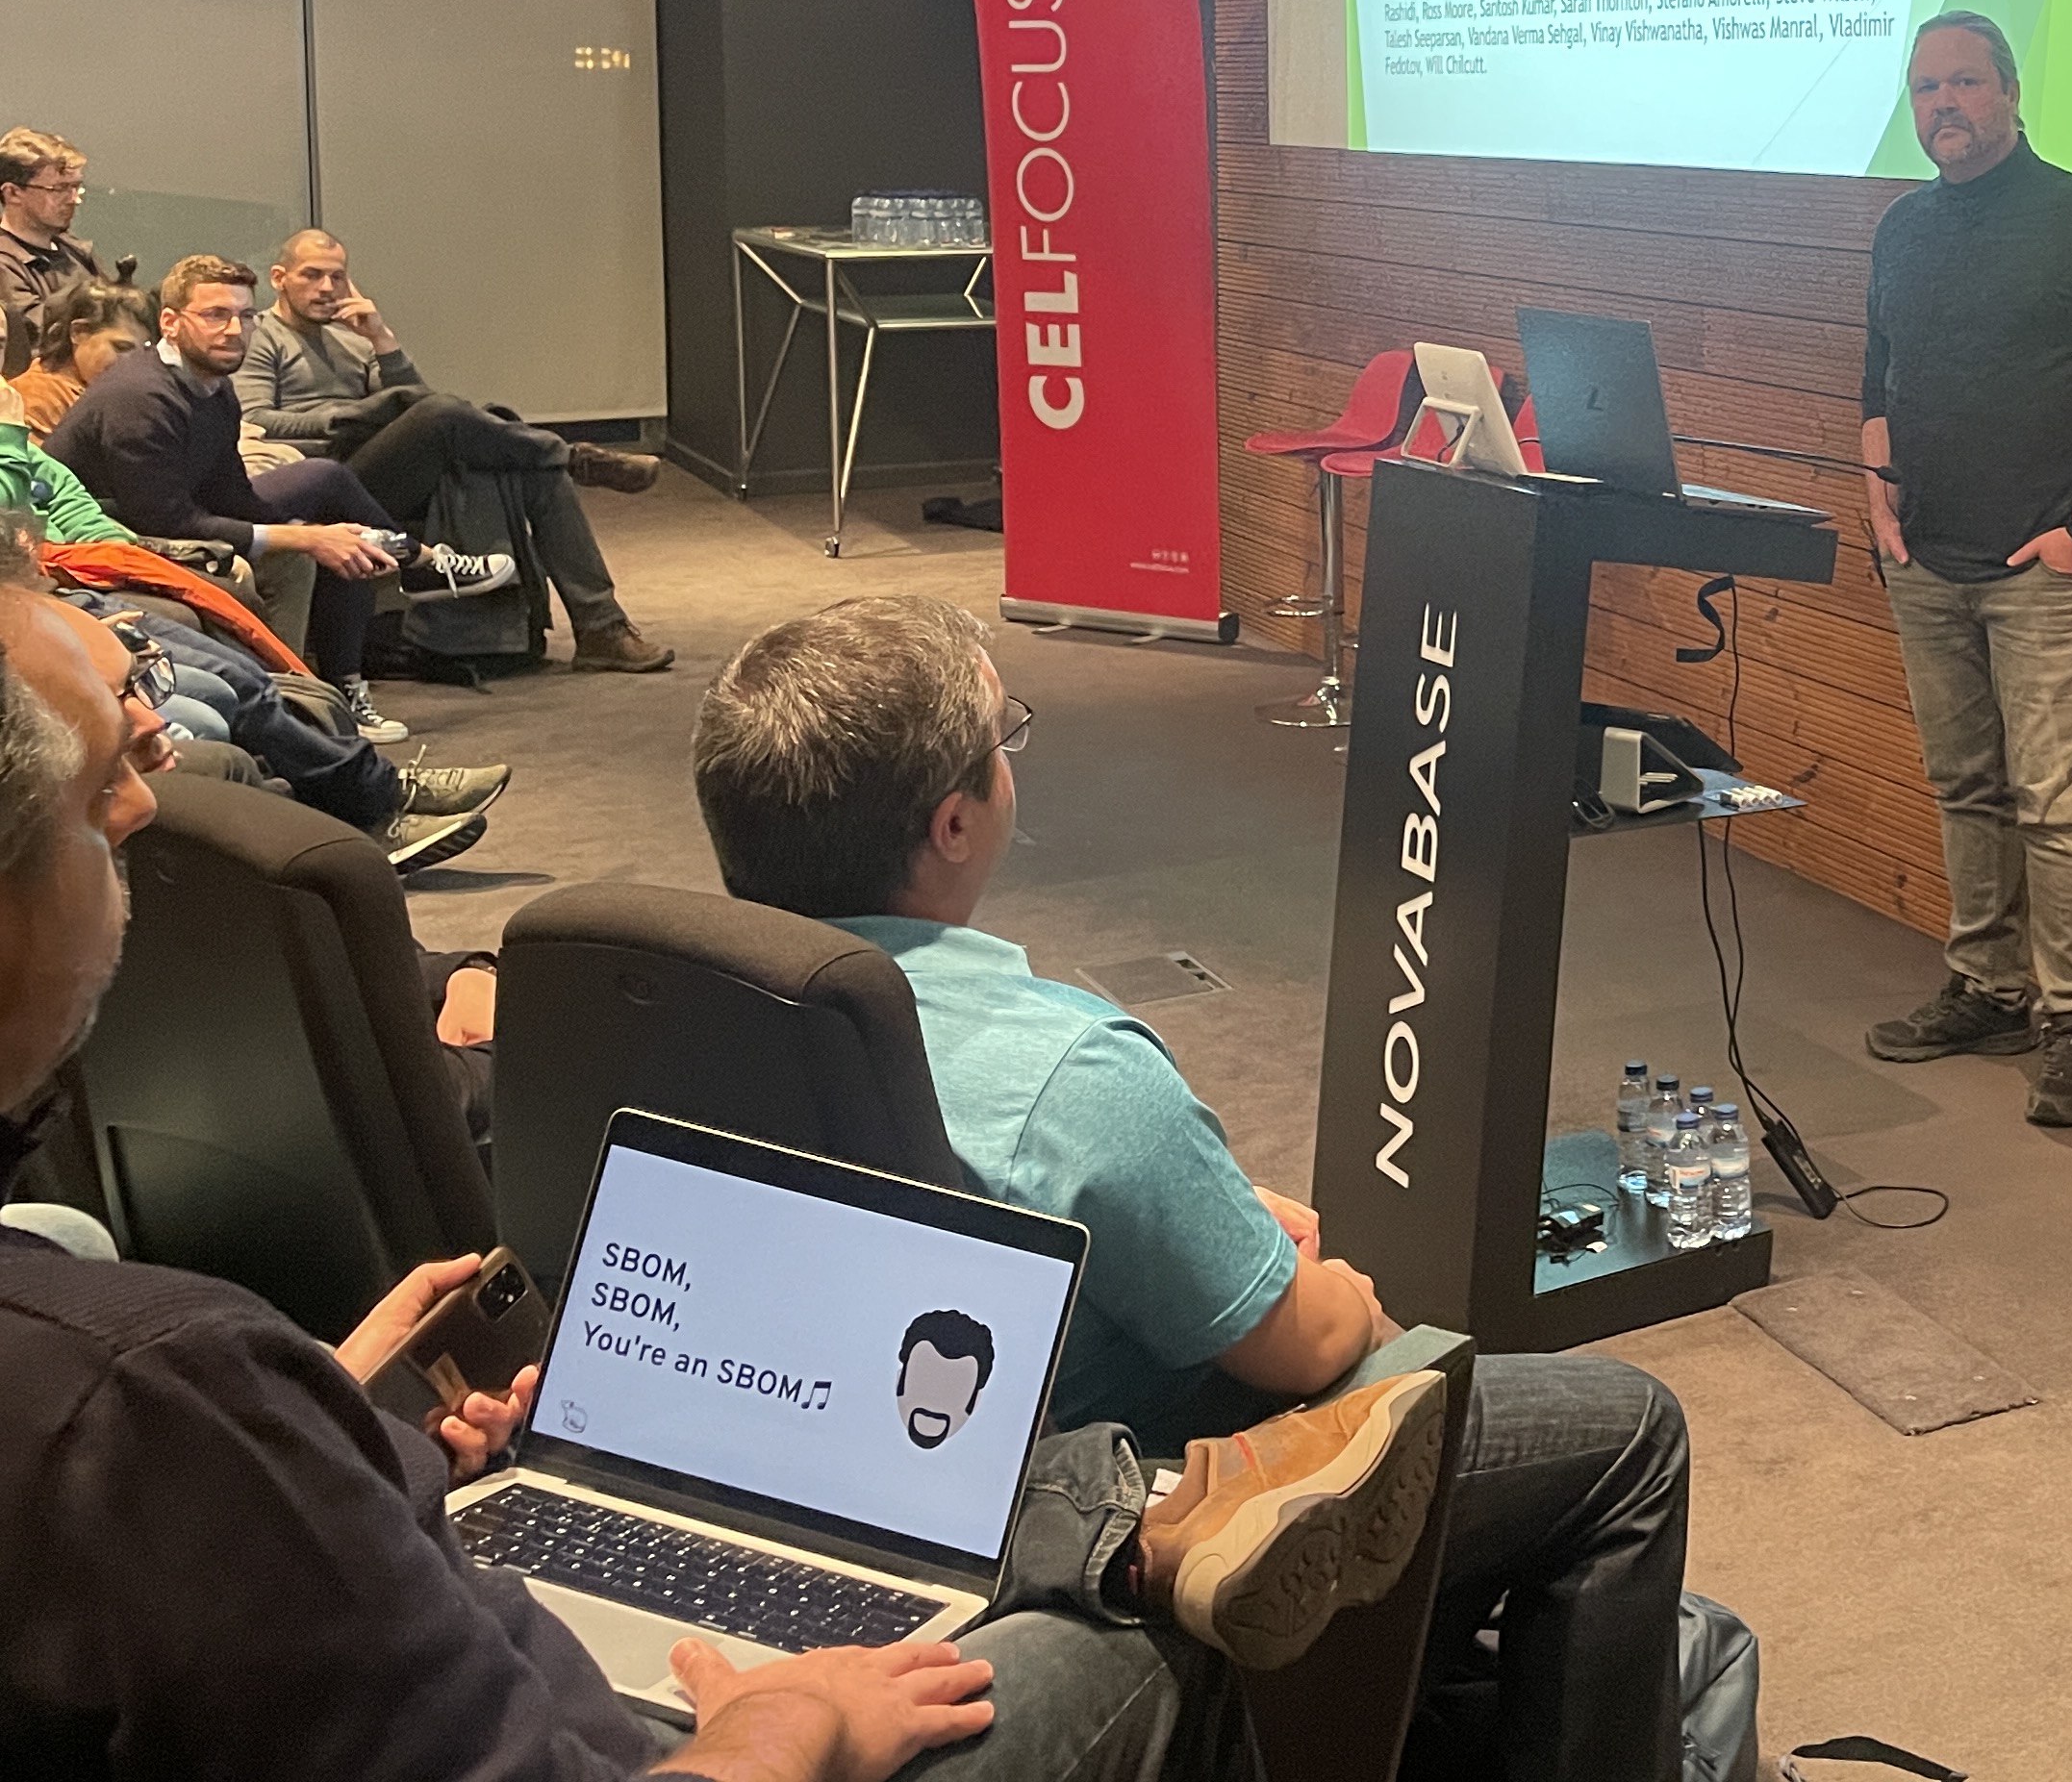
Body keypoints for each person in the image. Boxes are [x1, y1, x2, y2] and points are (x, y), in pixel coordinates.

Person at [0, 583, 1438, 1782]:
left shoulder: (158, 1374)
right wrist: (789, 1726)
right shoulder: (149, 1403)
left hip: (560, 1539)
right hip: (685, 1717)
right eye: (98, 801)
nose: (142, 803)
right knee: (1184, 1597)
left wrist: (340, 1425)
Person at [691, 595, 1702, 1782]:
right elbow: (1308, 1346)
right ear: (955, 822)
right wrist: (1342, 1304)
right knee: (1630, 1429)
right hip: (1127, 1486)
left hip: (800, 1459)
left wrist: (1198, 1206)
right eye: (1002, 740)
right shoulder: (1067, 1072)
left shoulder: (689, 1013)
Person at [1856, 10, 2072, 1128]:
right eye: (1925, 88)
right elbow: (1880, 369)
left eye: (1965, 84)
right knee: (1966, 787)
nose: (1943, 105)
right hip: (1927, 563)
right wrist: (1879, 493)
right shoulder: (1902, 228)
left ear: (2011, 92)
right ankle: (1989, 985)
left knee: (2056, 802)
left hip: (2050, 571)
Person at [46, 255, 513, 739]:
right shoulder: (141, 397)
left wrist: (312, 532)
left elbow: (231, 494)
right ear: (170, 322)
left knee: (333, 505)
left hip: (168, 515)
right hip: (113, 538)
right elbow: (166, 520)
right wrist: (304, 542)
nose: (234, 330)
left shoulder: (215, 387)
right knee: (310, 550)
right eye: (214, 315)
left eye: (245, 316)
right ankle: (304, 695)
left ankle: (344, 680)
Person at [241, 230, 671, 676]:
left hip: (382, 462)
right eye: (312, 275)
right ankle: (570, 454)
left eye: (337, 277)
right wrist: (348, 417)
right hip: (327, 477)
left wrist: (382, 338)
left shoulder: (353, 339)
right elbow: (255, 420)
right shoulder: (261, 336)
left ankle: (601, 627)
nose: (327, 288)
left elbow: (414, 402)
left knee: (535, 471)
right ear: (279, 278)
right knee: (453, 418)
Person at [0, 493, 504, 873]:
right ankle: (354, 825)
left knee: (254, 678)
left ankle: (373, 801)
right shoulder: (123, 400)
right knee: (219, 701)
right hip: (27, 610)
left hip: (57, 587)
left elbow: (68, 504)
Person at [0, 129, 119, 384]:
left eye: (77, 188)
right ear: (12, 193)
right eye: (60, 189)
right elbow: (42, 339)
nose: (73, 200)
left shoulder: (77, 252)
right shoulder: (4, 264)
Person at [11, 275, 153, 433]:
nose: (133, 361)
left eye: (143, 351)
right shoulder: (34, 397)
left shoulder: (119, 392)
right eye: (121, 347)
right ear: (78, 332)